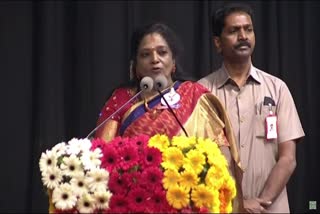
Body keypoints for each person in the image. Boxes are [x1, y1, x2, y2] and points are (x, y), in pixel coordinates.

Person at [95, 22, 243, 212]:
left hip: (189, 202)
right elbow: (102, 156)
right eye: (145, 54)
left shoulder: (194, 95)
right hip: (136, 203)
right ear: (136, 66)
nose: (155, 59)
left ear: (173, 62)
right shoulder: (122, 100)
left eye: (162, 52)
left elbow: (222, 153)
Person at [198, 3, 305, 213]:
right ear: (218, 43)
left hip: (271, 207)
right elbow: (197, 159)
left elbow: (288, 158)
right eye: (234, 31)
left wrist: (261, 201)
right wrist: (236, 203)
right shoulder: (202, 93)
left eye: (248, 29)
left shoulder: (277, 88)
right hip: (221, 207)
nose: (243, 36)